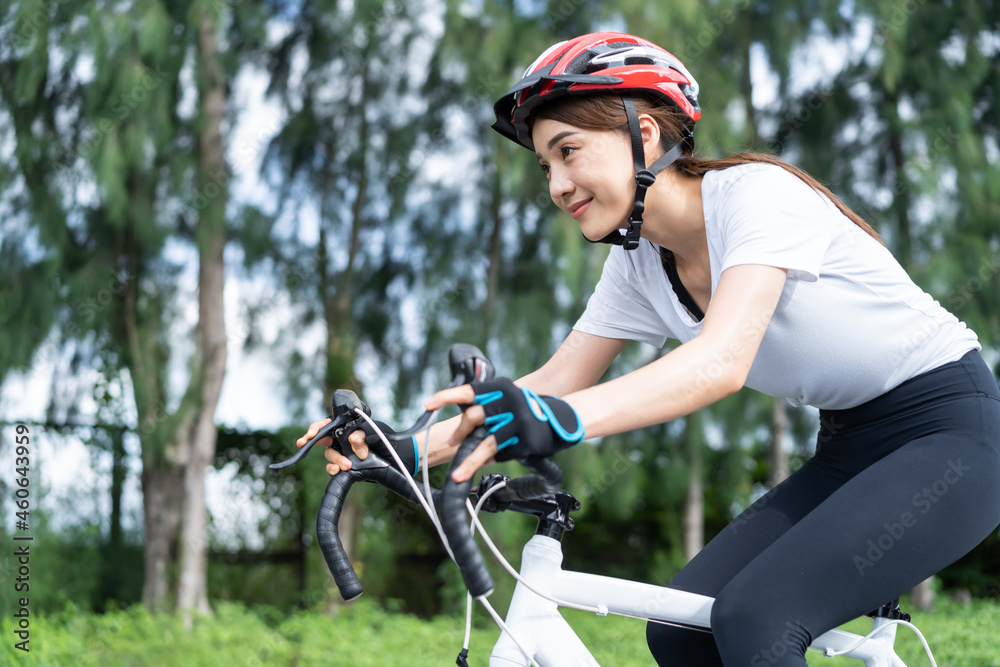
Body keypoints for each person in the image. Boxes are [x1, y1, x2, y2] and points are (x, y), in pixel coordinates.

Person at [298, 32, 1000, 666]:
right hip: (851, 446)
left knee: (759, 618)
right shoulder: (637, 265)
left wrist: (564, 419)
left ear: (646, 131)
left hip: (953, 430)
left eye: (568, 151)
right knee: (680, 632)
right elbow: (554, 380)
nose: (557, 185)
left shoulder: (755, 198)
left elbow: (718, 363)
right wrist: (404, 448)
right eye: (545, 165)